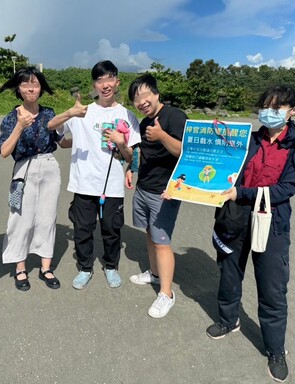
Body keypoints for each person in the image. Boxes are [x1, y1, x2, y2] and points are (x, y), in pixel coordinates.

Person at [205, 85, 295, 383]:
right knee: (228, 272)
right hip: (234, 216)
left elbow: (286, 188)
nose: (269, 112)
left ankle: (275, 349)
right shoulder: (248, 139)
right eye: (265, 106)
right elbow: (221, 165)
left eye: (277, 107)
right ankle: (228, 320)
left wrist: (241, 191)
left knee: (272, 286)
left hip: (272, 222)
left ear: (293, 111)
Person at [48, 60, 140, 290]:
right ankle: (85, 268)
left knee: (111, 229)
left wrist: (121, 143)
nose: (105, 84)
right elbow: (52, 129)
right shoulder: (82, 112)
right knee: (82, 230)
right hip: (83, 183)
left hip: (113, 184)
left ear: (117, 82)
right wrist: (70, 112)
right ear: (94, 84)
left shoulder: (128, 116)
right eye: (100, 80)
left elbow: (131, 158)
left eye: (109, 78)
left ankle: (111, 266)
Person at [0, 67, 80, 291]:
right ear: (18, 89)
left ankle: (46, 267)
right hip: (23, 169)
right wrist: (19, 127)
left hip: (49, 166)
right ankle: (20, 268)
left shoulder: (49, 114)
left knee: (47, 217)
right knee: (20, 218)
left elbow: (61, 142)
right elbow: (4, 151)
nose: (31, 88)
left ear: (41, 87)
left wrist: (88, 141)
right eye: (25, 84)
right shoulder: (10, 118)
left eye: (35, 83)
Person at [125, 74, 187, 318]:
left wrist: (162, 136)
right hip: (144, 187)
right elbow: (141, 152)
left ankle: (167, 294)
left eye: (144, 95)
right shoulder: (143, 123)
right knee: (150, 235)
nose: (141, 102)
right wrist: (131, 170)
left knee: (162, 242)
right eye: (135, 99)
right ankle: (154, 273)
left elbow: (185, 152)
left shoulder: (175, 116)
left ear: (156, 94)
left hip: (165, 192)